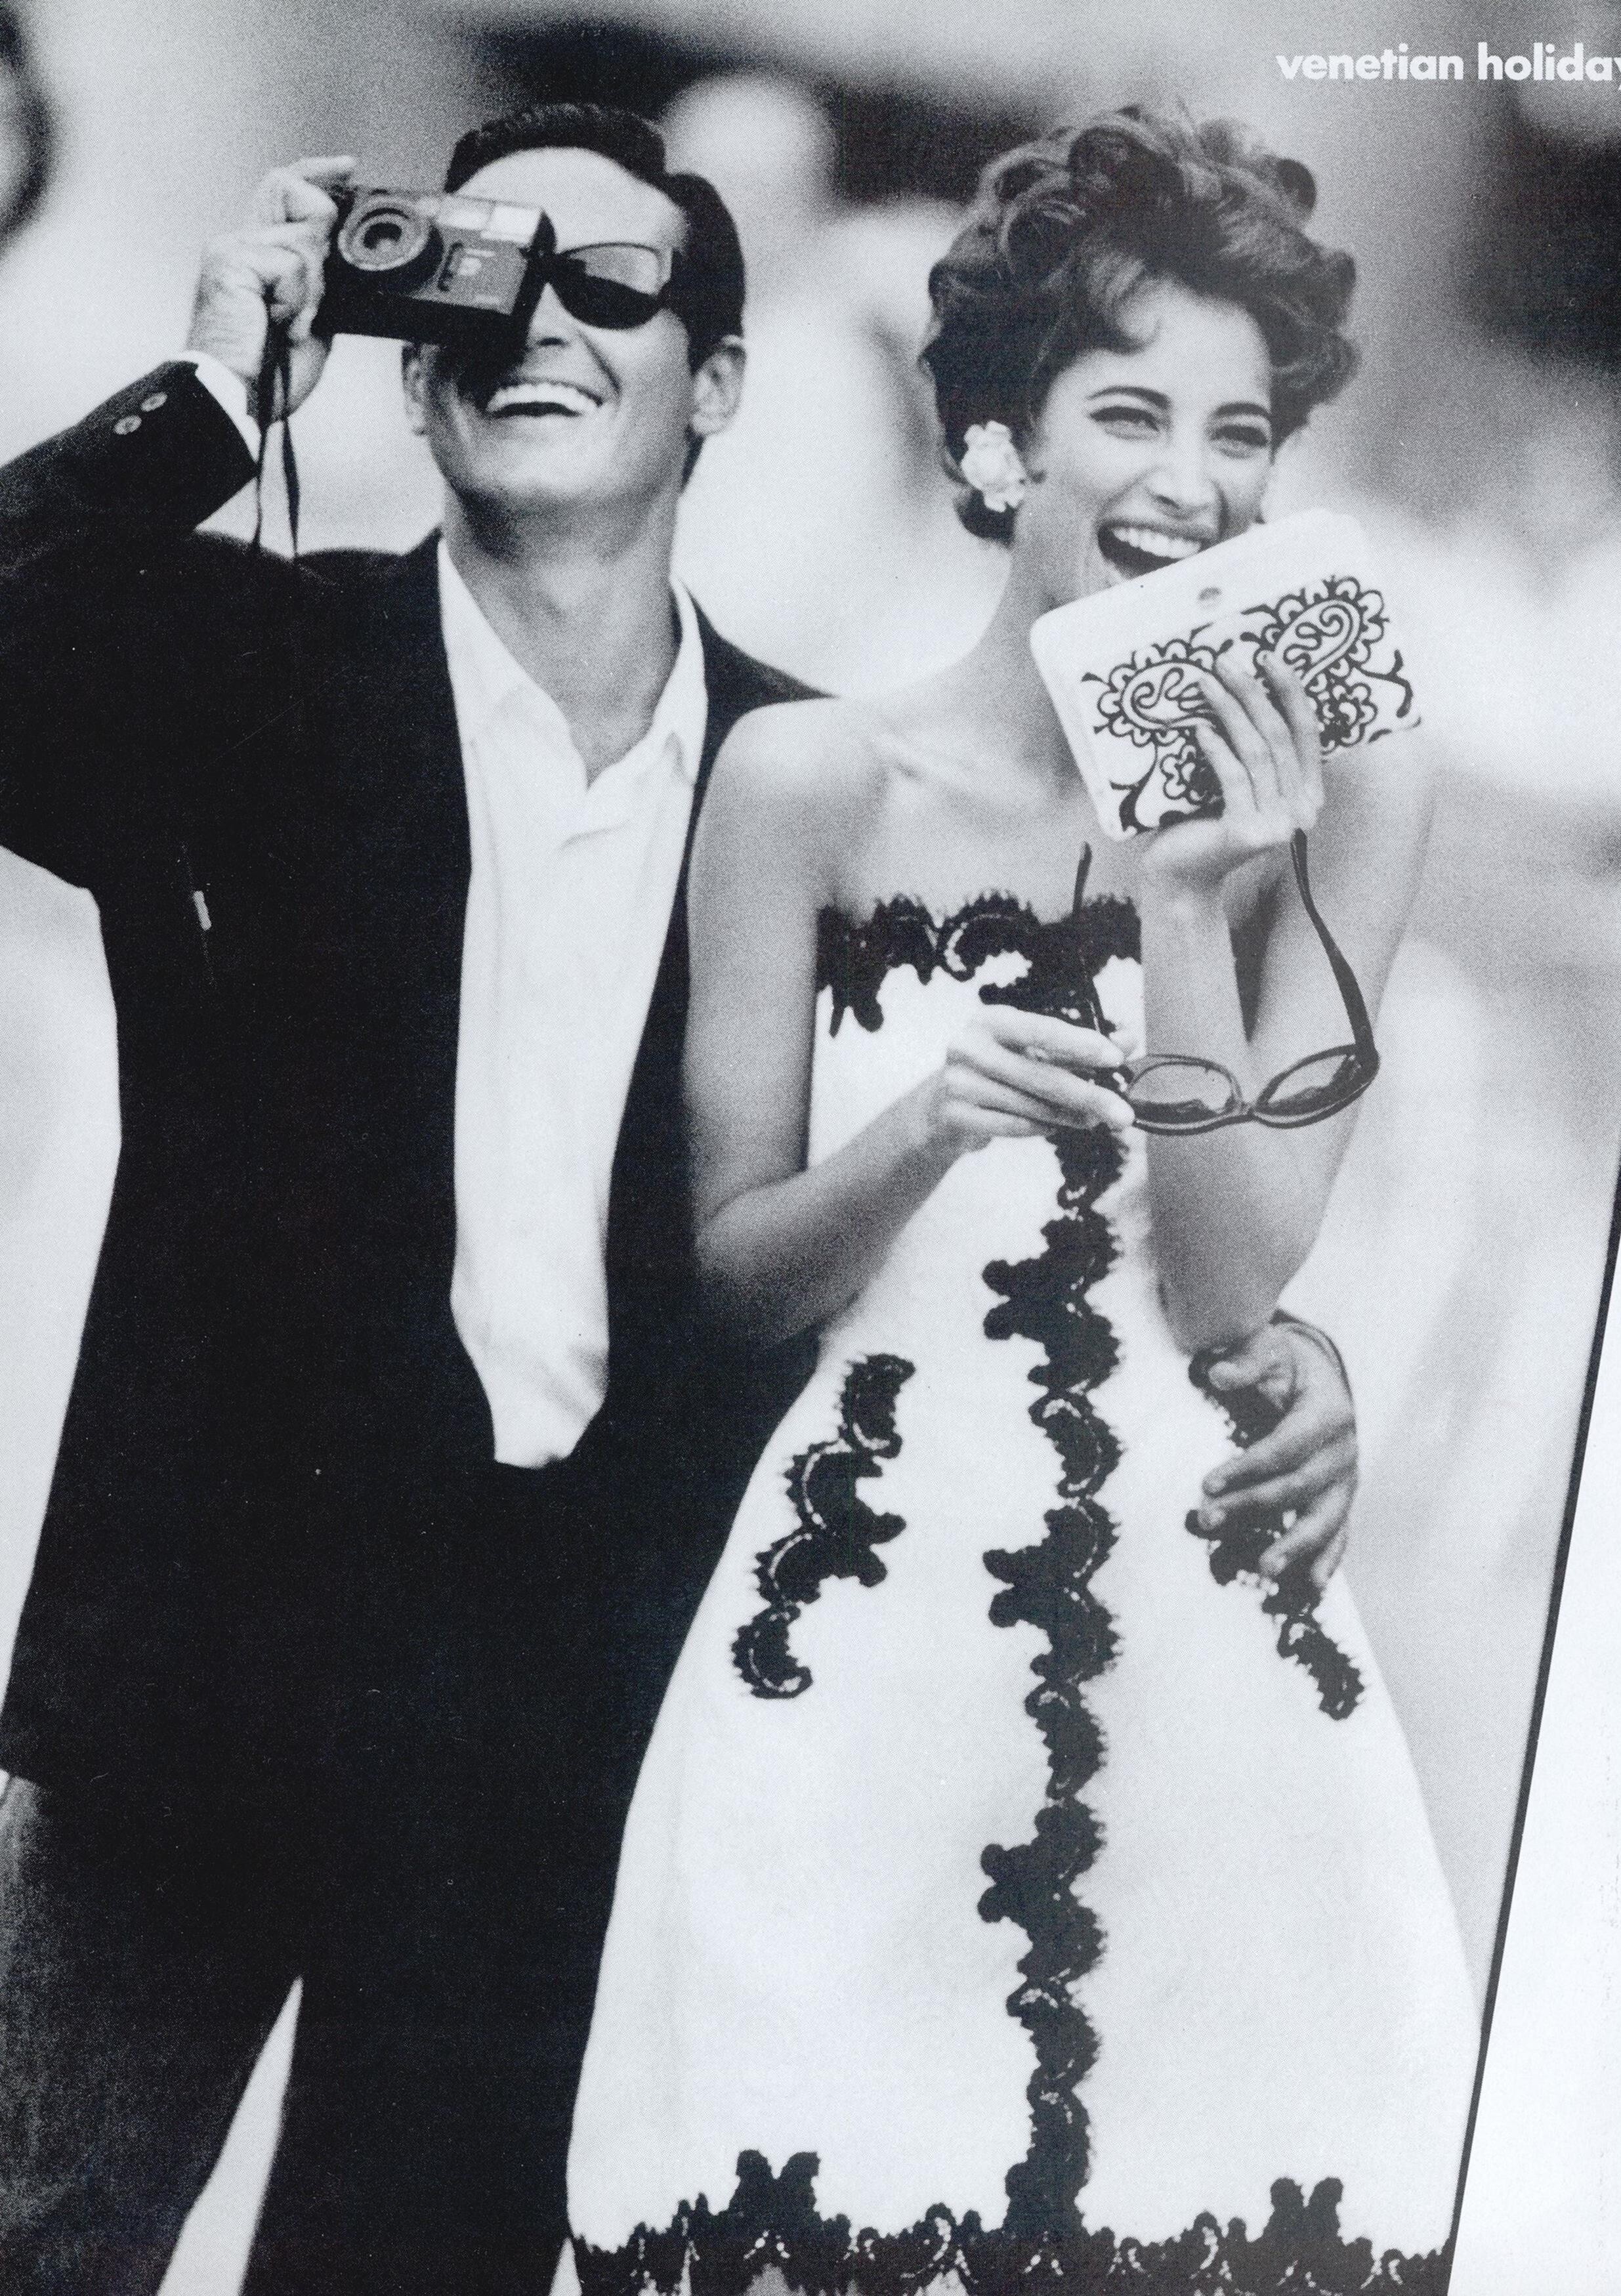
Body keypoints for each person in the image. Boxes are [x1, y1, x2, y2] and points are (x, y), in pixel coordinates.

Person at [0, 97, 1357, 2296]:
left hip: (563, 1739)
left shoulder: (816, 783)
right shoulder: (251, 668)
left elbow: (1013, 1196)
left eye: (609, 282)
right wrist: (210, 394)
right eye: (478, 277)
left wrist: (1288, 1352)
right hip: (199, 1684)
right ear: (409, 368)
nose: (537, 321)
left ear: (718, 380)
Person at [566, 108, 1479, 2296]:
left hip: (1202, 1649)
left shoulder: (1356, 791)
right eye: (1131, 411)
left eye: (1241, 430)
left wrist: (1183, 900)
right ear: (998, 441)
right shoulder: (810, 780)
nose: (1193, 479)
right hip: (862, 1646)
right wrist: (922, 1128)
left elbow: (1234, 1277)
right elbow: (730, 1278)